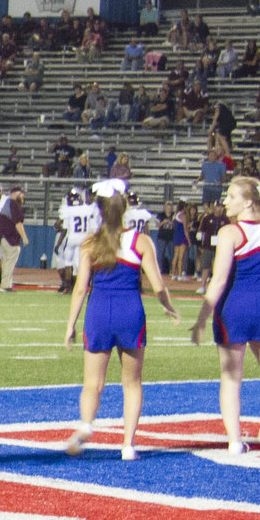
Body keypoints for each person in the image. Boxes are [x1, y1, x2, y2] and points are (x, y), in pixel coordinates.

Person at [62, 179, 180, 460]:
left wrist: (70, 326)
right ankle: (128, 445)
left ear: (99, 210)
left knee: (93, 384)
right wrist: (169, 307)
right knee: (132, 383)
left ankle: (87, 424)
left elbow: (80, 288)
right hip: (130, 310)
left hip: (99, 311)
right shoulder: (141, 241)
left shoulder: (90, 243)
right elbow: (157, 285)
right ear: (126, 207)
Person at [188, 177, 260, 454]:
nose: (225, 201)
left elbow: (219, 280)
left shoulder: (230, 233)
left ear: (247, 202)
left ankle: (234, 440)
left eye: (231, 196)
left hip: (234, 305)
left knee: (231, 377)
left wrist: (201, 318)